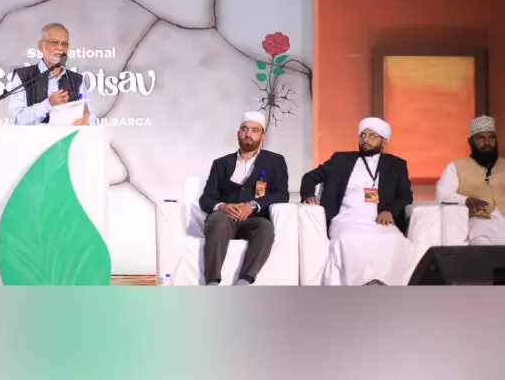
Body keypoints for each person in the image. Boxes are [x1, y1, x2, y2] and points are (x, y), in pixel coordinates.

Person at [300, 117, 414, 285]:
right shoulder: (340, 160)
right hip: (346, 218)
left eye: (372, 135)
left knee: (394, 239)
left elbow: (406, 196)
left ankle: (384, 285)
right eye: (362, 135)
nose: (365, 140)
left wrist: (390, 211)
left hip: (379, 219)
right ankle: (358, 286)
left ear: (383, 141)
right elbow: (309, 177)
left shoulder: (396, 165)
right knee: (349, 238)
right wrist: (309, 195)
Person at [199, 111, 289, 286]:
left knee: (265, 227)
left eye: (255, 130)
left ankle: (244, 282)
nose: (248, 134)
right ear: (238, 133)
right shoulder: (220, 163)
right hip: (224, 218)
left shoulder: (275, 161)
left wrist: (252, 205)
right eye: (244, 129)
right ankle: (212, 283)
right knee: (218, 220)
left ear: (262, 136)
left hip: (253, 219)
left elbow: (281, 194)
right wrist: (223, 207)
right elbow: (206, 199)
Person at [7, 22, 97, 126]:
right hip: (34, 136)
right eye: (54, 42)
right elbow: (17, 119)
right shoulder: (24, 76)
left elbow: (90, 116)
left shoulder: (76, 80)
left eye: (64, 43)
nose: (60, 48)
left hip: (69, 136)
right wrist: (48, 104)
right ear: (40, 46)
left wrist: (87, 122)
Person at [436, 115, 505, 245]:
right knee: (482, 243)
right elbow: (443, 194)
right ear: (470, 141)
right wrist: (468, 200)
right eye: (481, 138)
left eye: (491, 137)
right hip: (481, 222)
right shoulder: (456, 166)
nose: (487, 142)